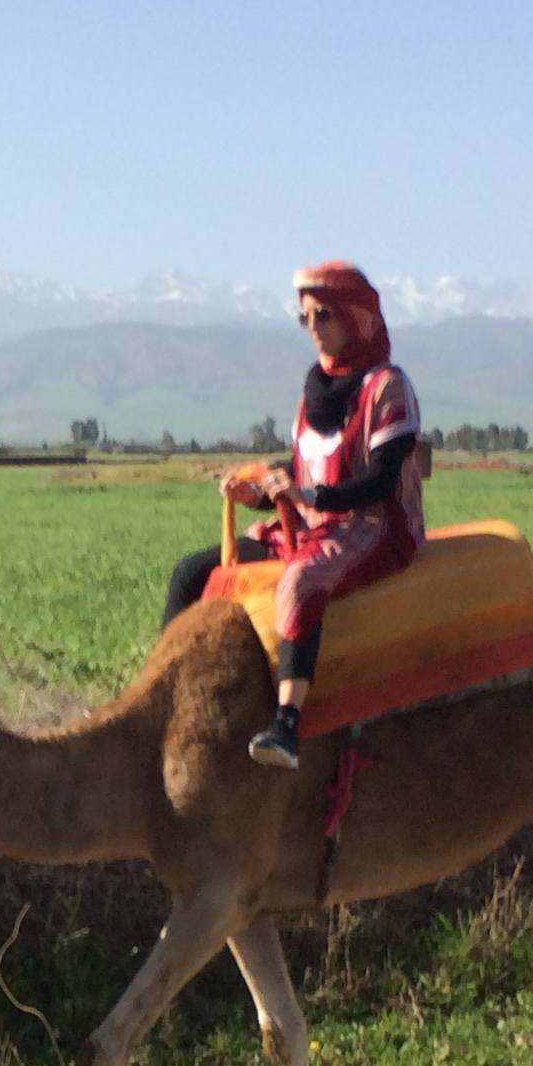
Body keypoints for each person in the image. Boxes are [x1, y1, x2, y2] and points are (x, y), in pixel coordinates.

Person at [158, 262, 424, 769]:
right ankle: (160, 694)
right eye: (304, 317)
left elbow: (381, 481)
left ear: (357, 317)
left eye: (324, 314)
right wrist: (257, 494)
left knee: (301, 582)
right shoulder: (316, 390)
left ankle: (286, 725)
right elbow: (300, 477)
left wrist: (309, 498)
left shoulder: (388, 387)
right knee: (192, 572)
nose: (313, 328)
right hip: (307, 523)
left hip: (371, 528)